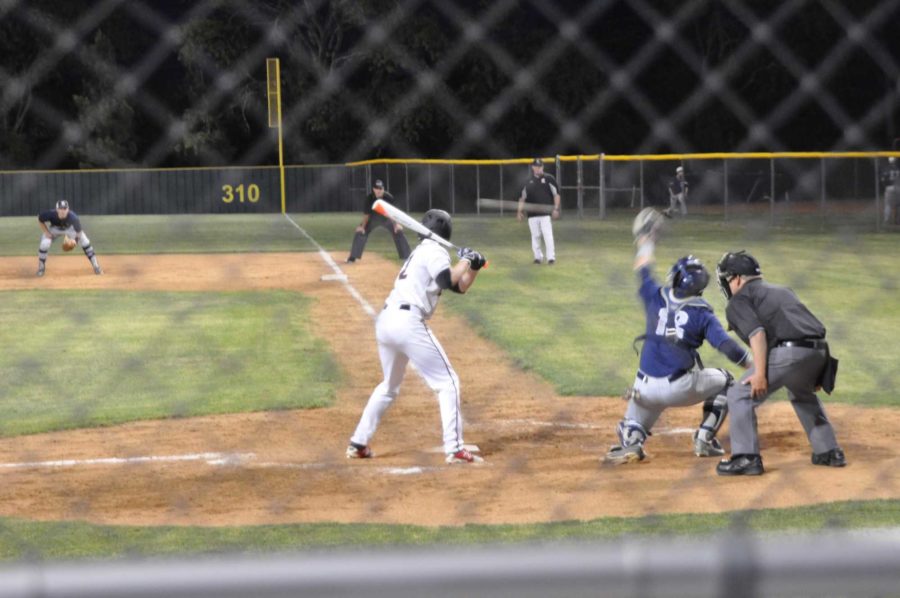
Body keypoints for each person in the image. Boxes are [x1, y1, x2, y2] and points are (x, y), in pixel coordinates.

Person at [604, 216, 750, 465]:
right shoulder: (702, 313)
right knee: (726, 380)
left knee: (633, 425)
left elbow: (643, 268)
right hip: (678, 388)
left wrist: (646, 241)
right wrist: (752, 365)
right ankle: (704, 439)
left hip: (644, 388)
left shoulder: (654, 296)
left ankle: (633, 439)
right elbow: (726, 346)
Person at [346, 209, 487, 464]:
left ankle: (358, 443)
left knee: (389, 386)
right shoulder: (434, 250)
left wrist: (473, 267)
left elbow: (459, 286)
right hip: (407, 323)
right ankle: (454, 449)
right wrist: (464, 259)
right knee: (448, 382)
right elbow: (446, 280)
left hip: (387, 321)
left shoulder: (424, 251)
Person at [714, 250, 845, 476]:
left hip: (789, 354)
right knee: (802, 393)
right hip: (818, 352)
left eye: (727, 279)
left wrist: (760, 374)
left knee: (739, 393)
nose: (727, 285)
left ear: (736, 278)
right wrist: (816, 372)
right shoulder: (783, 291)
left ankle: (746, 458)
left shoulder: (739, 300)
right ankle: (829, 451)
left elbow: (757, 335)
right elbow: (813, 328)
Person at [346, 180, 411, 263]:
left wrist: (396, 225)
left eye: (380, 188)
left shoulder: (389, 197)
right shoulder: (369, 198)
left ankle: (406, 257)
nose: (379, 190)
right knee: (360, 232)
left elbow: (393, 213)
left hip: (387, 218)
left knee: (398, 231)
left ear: (383, 189)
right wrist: (362, 227)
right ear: (373, 189)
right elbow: (367, 215)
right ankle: (352, 257)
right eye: (376, 188)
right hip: (372, 219)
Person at [36, 200, 102, 276]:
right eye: (61, 208)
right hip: (55, 229)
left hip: (70, 229)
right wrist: (46, 232)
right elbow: (40, 219)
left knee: (85, 241)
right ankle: (41, 268)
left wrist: (74, 241)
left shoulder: (73, 217)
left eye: (65, 208)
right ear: (57, 209)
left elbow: (79, 233)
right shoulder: (50, 214)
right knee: (44, 244)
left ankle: (96, 266)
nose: (63, 210)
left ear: (68, 209)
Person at [517, 158, 560, 265]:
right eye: (536, 166)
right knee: (535, 236)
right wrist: (519, 212)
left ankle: (551, 258)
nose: (538, 168)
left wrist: (556, 208)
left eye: (540, 166)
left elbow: (556, 195)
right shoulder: (527, 181)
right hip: (532, 214)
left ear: (542, 167)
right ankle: (537, 257)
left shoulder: (549, 179)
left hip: (545, 214)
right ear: (532, 167)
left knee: (547, 235)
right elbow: (522, 198)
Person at [881, 157, 899, 225]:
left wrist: (885, 186)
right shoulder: (898, 169)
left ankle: (886, 221)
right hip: (899, 188)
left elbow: (883, 180)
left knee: (888, 205)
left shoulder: (886, 169)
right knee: (898, 205)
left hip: (889, 188)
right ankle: (897, 221)